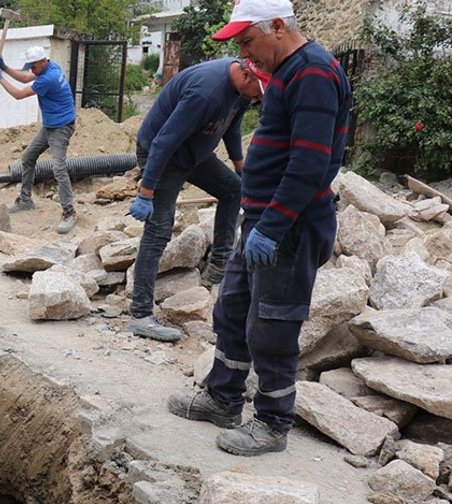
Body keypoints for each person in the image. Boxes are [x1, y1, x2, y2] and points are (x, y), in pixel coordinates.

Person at [167, 0, 351, 456]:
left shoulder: (312, 73)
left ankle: (272, 422)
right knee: (232, 310)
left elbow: (309, 163)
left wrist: (272, 225)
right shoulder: (288, 72)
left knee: (274, 325)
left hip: (288, 226)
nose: (246, 56)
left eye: (248, 41)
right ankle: (223, 398)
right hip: (265, 220)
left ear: (276, 26)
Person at [125, 58, 263, 342]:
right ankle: (140, 315)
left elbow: (232, 129)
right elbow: (164, 140)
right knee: (159, 228)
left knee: (232, 190)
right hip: (162, 156)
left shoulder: (242, 92)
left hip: (193, 153)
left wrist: (241, 169)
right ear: (247, 75)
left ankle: (219, 266)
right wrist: (146, 191)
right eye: (259, 91)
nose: (260, 97)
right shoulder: (206, 91)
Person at [0, 46, 78, 234]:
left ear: (42, 61)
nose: (31, 70)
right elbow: (24, 77)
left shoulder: (49, 78)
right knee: (27, 158)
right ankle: (25, 200)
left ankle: (69, 212)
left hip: (61, 127)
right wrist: (5, 67)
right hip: (50, 125)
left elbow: (18, 94)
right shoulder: (49, 66)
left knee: (58, 168)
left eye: (33, 66)